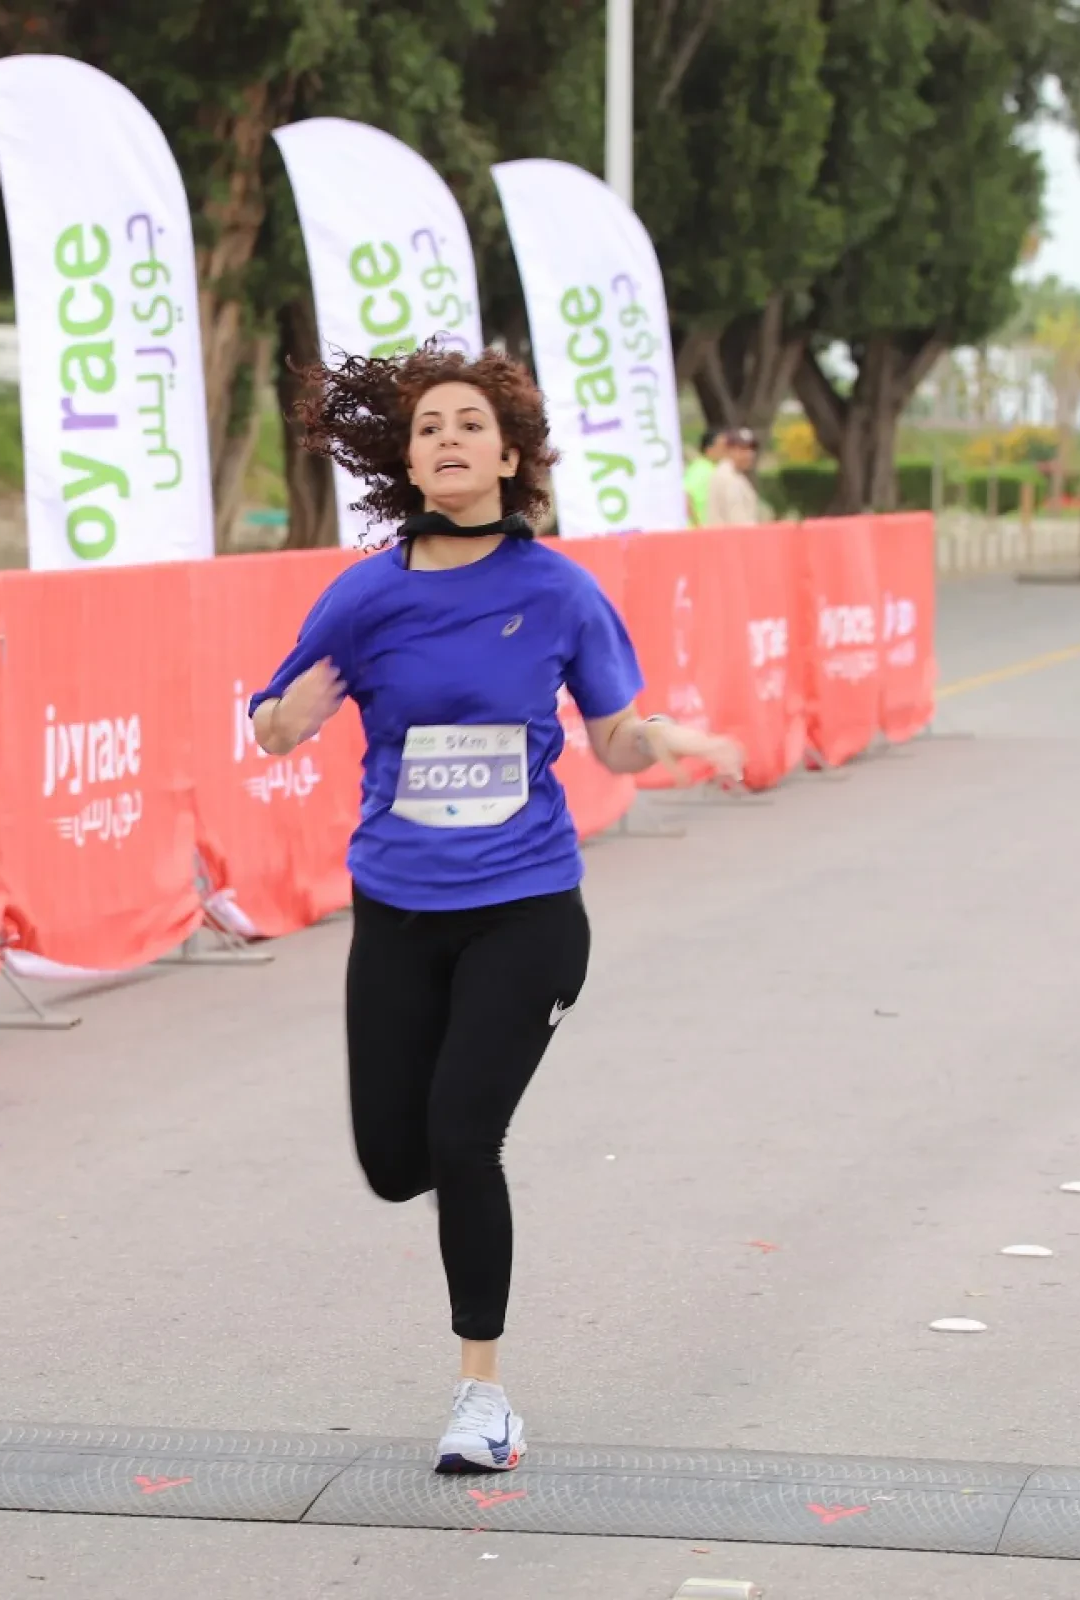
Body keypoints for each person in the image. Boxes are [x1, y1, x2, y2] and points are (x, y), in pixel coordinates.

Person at [256, 343, 744, 1473]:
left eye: (470, 424)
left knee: (465, 1138)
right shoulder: (366, 595)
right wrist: (288, 718)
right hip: (396, 907)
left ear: (511, 457)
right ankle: (454, 1182)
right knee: (397, 1160)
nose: (449, 439)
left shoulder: (557, 591)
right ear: (407, 461)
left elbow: (613, 734)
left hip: (525, 908)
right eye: (428, 427)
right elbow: (274, 718)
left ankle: (483, 1398)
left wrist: (665, 739)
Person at [705, 425, 766, 528]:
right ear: (728, 450)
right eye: (742, 449)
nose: (749, 455)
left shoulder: (734, 475)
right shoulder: (728, 478)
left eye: (751, 449)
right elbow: (739, 523)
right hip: (732, 536)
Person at [684, 426, 725, 525]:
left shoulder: (716, 469)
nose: (726, 451)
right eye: (722, 447)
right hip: (699, 530)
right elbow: (685, 496)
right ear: (709, 449)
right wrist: (697, 525)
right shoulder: (700, 469)